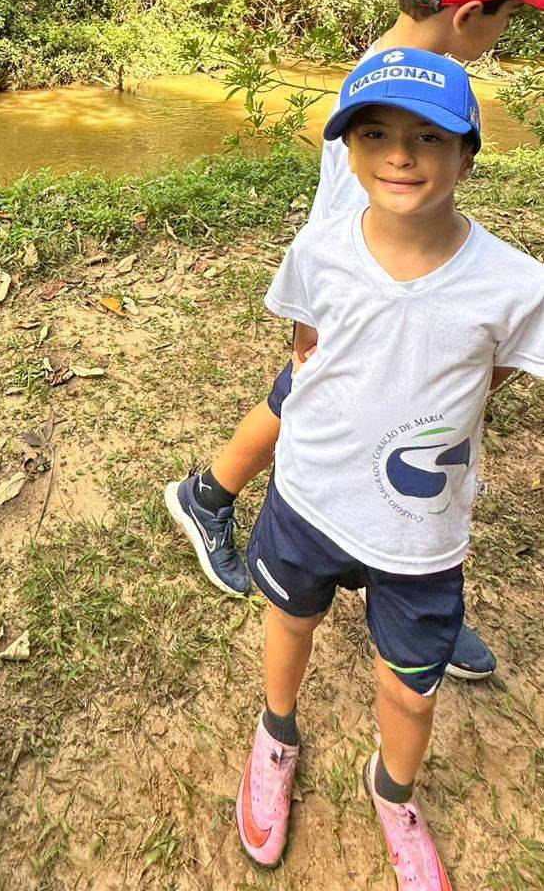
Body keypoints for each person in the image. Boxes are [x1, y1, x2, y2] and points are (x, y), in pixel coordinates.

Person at [166, 0, 544, 679]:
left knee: (331, 407)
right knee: (317, 401)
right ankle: (214, 497)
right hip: (360, 298)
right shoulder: (397, 88)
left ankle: (232, 501)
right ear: (470, 14)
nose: (506, 30)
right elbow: (362, 219)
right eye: (509, 15)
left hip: (377, 295)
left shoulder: (405, 62)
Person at [233, 48, 543, 886]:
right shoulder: (320, 250)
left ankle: (394, 791)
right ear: (348, 150)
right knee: (289, 620)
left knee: (411, 689)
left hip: (420, 532)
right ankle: (276, 732)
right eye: (374, 134)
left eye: (428, 137)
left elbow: (499, 366)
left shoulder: (515, 284)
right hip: (311, 495)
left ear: (468, 156)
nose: (400, 155)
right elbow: (306, 346)